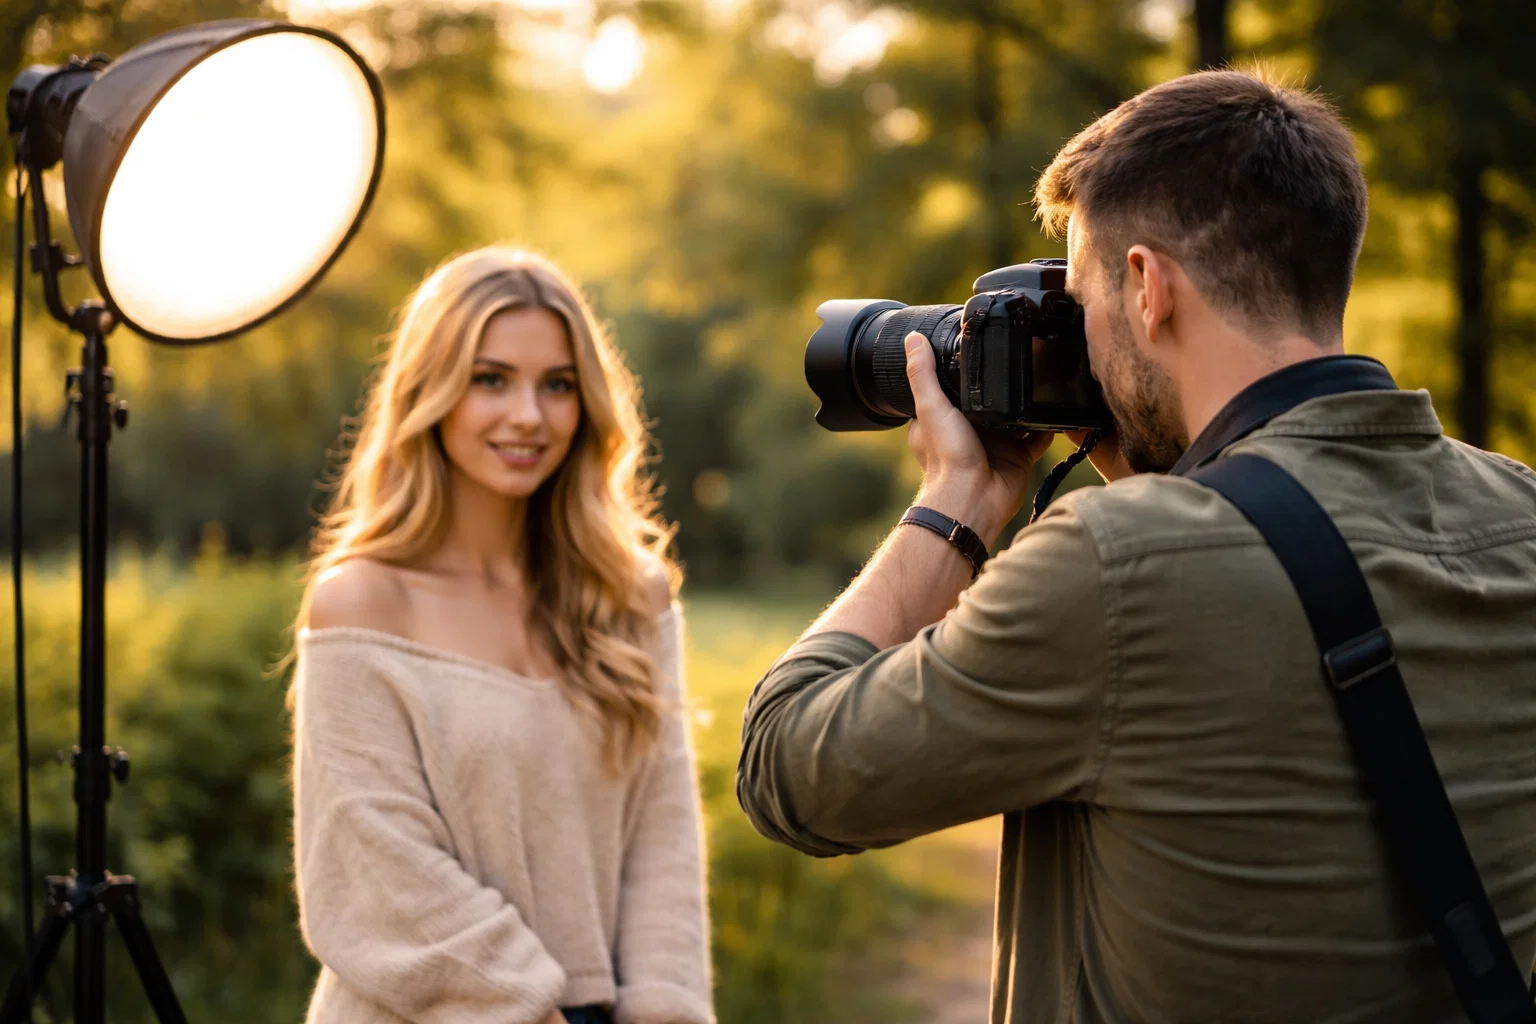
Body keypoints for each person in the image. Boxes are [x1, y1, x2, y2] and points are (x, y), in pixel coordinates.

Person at [736, 69, 1536, 1023]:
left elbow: (787, 767)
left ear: (1148, 287)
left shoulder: (1115, 563)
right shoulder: (1518, 510)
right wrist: (1159, 462)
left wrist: (957, 502)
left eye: (1084, 298)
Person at [289, 247, 713, 1024]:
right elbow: (381, 873)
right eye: (491, 379)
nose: (528, 415)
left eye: (556, 385)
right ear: (431, 391)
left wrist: (666, 1011)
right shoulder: (359, 604)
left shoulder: (630, 596)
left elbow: (664, 838)